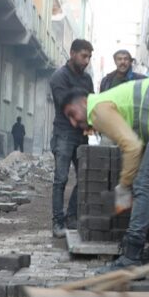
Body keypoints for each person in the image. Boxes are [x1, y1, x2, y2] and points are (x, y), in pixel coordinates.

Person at [62, 78, 149, 272]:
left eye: (72, 114)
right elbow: (137, 145)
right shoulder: (109, 103)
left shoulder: (98, 108)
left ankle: (131, 256)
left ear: (84, 102)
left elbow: (132, 147)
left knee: (143, 184)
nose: (73, 122)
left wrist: (124, 187)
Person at [49, 39, 94, 238]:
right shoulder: (59, 77)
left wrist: (91, 128)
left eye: (89, 57)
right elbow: (65, 104)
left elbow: (91, 103)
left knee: (84, 177)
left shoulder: (87, 79)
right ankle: (58, 223)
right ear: (72, 53)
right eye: (84, 56)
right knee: (61, 179)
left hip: (81, 134)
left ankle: (71, 218)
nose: (87, 61)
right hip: (64, 134)